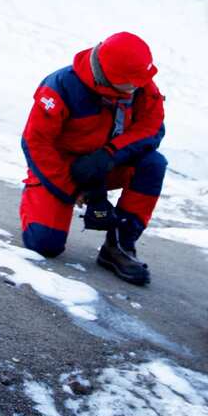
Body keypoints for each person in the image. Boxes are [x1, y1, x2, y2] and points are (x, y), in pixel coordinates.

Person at [19, 31, 167, 285]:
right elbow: (36, 144)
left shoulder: (139, 85)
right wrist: (74, 188)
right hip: (61, 169)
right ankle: (39, 196)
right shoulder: (60, 86)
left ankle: (119, 246)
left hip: (108, 164)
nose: (139, 86)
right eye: (132, 82)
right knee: (44, 245)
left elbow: (152, 128)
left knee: (153, 163)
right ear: (111, 76)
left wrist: (109, 154)